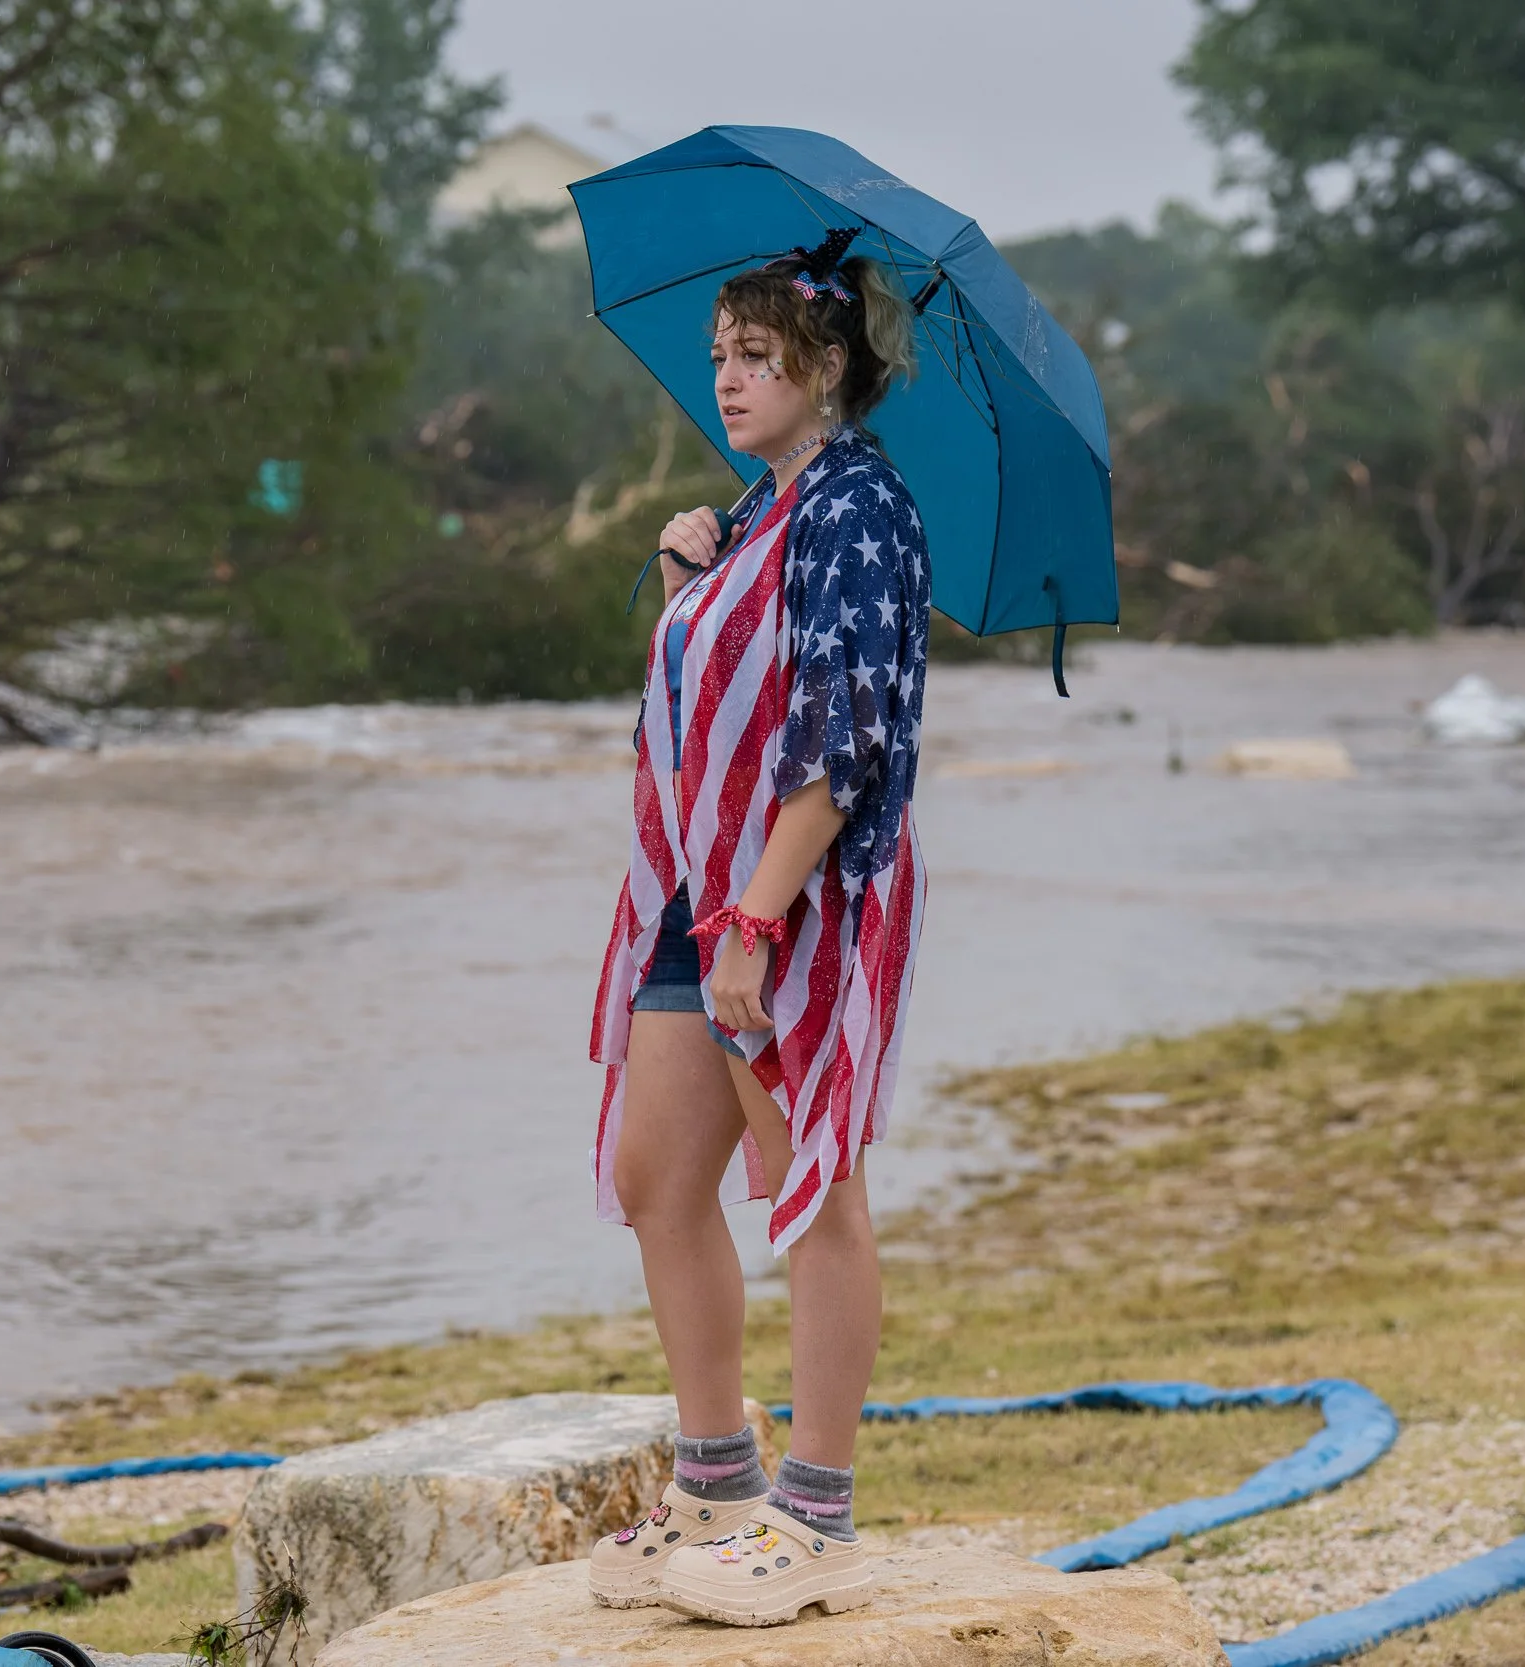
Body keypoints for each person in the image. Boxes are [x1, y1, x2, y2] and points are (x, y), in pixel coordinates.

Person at [582, 229, 928, 1628]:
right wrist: (684, 589)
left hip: (787, 893)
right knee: (659, 1171)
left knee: (808, 1183)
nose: (723, 377)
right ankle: (717, 1480)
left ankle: (819, 1514)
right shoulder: (758, 510)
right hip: (698, 885)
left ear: (829, 362)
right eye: (717, 354)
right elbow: (696, 725)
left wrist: (758, 919)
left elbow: (845, 734)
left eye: (755, 354)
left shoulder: (860, 508)